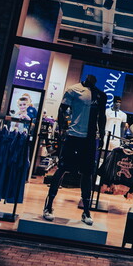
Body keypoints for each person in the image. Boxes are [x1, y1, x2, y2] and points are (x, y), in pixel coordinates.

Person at [42, 74, 106, 225]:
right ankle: (48, 206)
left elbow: (102, 117)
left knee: (87, 173)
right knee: (61, 169)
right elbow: (62, 109)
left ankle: (86, 211)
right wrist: (62, 129)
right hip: (73, 136)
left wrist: (102, 135)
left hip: (90, 139)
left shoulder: (100, 95)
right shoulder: (73, 90)